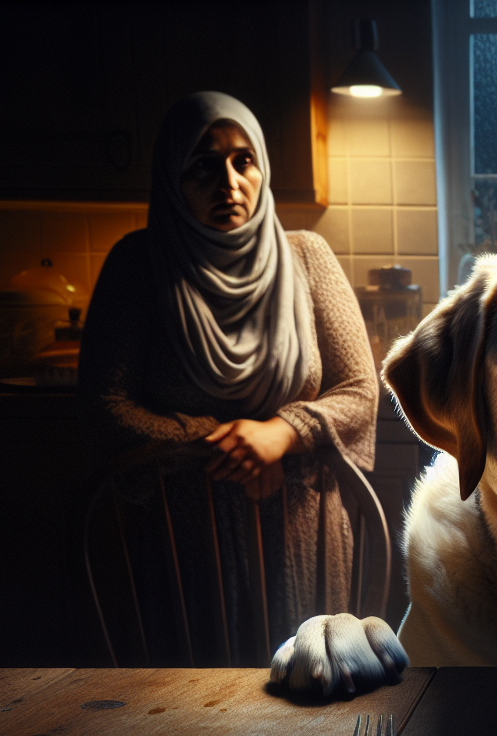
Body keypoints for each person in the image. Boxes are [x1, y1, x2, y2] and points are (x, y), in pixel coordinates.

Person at [80, 91, 378, 659]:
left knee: (311, 691)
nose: (228, 182)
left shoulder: (307, 258)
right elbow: (105, 406)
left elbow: (361, 391)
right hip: (185, 543)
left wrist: (280, 435)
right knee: (197, 708)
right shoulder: (138, 267)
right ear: (172, 179)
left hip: (303, 536)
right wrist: (224, 448)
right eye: (201, 165)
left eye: (243, 160)